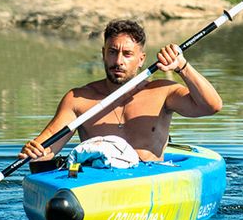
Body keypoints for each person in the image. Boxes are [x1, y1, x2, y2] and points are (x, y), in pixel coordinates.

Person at [19, 19, 223, 164]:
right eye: (112, 52)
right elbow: (47, 148)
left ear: (141, 59)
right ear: (103, 54)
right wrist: (34, 151)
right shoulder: (78, 99)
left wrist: (182, 67)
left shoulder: (163, 93)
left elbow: (211, 106)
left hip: (148, 179)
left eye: (127, 54)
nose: (118, 61)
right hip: (100, 184)